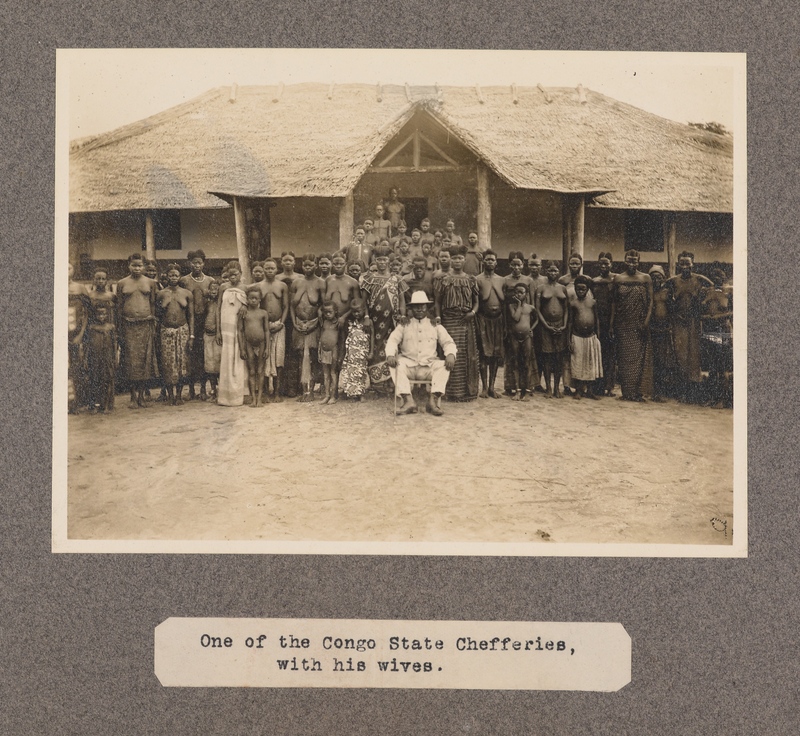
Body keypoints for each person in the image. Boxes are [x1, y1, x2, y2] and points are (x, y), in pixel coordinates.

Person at [386, 291, 457, 416]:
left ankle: (433, 402)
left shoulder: (435, 325)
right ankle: (408, 401)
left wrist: (450, 354)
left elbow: (448, 342)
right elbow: (392, 340)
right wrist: (391, 355)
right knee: (396, 365)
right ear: (411, 308)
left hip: (428, 367)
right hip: (409, 366)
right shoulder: (404, 325)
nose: (419, 309)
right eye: (416, 306)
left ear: (427, 308)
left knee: (443, 366)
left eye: (422, 306)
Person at [434, 244, 479, 402]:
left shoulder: (471, 279)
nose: (457, 261)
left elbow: (476, 302)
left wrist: (472, 313)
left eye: (460, 258)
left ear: (465, 260)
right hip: (449, 321)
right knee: (448, 353)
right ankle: (448, 391)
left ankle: (465, 392)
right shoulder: (443, 280)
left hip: (466, 321)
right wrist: (438, 318)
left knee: (464, 356)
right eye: (454, 258)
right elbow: (438, 302)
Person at [359, 244, 408, 390]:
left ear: (389, 261)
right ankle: (377, 382)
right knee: (375, 346)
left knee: (391, 347)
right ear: (375, 261)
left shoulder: (397, 279)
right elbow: (364, 301)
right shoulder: (369, 279)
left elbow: (402, 300)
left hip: (392, 320)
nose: (382, 263)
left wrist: (403, 316)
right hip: (374, 319)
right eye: (379, 260)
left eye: (384, 260)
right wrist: (366, 316)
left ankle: (391, 381)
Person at [668, 251, 713, 403]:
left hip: (694, 322)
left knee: (694, 356)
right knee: (681, 355)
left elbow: (712, 287)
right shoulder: (673, 281)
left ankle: (694, 393)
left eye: (688, 263)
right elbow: (668, 299)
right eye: (682, 263)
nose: (685, 266)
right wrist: (675, 314)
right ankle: (681, 391)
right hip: (679, 322)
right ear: (678, 264)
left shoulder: (699, 280)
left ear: (693, 263)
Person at [117, 253, 159, 409]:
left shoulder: (151, 282)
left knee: (144, 362)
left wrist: (153, 324)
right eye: (134, 265)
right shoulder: (122, 283)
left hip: (145, 326)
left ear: (144, 266)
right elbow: (119, 307)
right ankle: (133, 396)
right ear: (129, 265)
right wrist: (120, 328)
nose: (137, 268)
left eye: (140, 265)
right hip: (128, 327)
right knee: (130, 363)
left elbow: (153, 304)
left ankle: (142, 396)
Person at [610, 249, 653, 402]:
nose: (632, 263)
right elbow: (614, 303)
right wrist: (611, 324)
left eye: (635, 261)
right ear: (624, 261)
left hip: (639, 324)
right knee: (624, 359)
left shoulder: (645, 278)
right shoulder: (618, 278)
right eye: (629, 260)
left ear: (639, 262)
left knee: (639, 358)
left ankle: (637, 393)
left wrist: (646, 322)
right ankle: (626, 393)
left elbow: (650, 302)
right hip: (623, 324)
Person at [156, 263, 194, 406]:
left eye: (176, 275)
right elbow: (158, 315)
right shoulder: (161, 294)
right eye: (171, 275)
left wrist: (191, 336)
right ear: (166, 276)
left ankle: (179, 395)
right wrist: (163, 305)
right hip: (166, 331)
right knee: (168, 363)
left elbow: (191, 316)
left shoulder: (186, 293)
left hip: (183, 331)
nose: (173, 278)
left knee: (182, 363)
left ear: (179, 277)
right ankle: (170, 395)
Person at [179, 249, 214, 400]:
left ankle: (204, 390)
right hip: (189, 321)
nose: (197, 265)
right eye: (194, 262)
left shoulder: (210, 281)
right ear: (189, 263)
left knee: (204, 356)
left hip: (205, 322)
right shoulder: (184, 281)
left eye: (199, 262)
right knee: (191, 356)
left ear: (204, 264)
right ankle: (191, 389)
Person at [291, 253, 326, 402]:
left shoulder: (320, 283)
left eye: (310, 265)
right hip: (298, 324)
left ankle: (311, 390)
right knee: (300, 357)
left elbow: (324, 306)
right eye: (305, 265)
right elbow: (292, 306)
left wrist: (316, 323)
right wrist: (294, 323)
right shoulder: (296, 283)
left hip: (314, 324)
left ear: (315, 266)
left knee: (312, 357)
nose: (307, 268)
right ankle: (303, 390)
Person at [535, 260, 569, 398]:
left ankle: (556, 388)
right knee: (547, 357)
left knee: (559, 357)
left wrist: (565, 325)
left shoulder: (563, 288)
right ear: (546, 271)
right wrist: (546, 326)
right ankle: (548, 388)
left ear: (559, 272)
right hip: (545, 326)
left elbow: (566, 309)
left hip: (560, 325)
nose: (553, 273)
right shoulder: (541, 288)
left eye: (555, 271)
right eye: (550, 270)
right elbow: (537, 309)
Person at [216, 261, 248, 406]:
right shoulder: (223, 287)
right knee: (227, 356)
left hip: (239, 327)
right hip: (225, 327)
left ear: (241, 274)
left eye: (235, 274)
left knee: (240, 357)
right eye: (230, 275)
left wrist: (246, 306)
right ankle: (226, 396)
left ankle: (242, 394)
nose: (233, 277)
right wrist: (218, 331)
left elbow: (251, 304)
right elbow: (218, 309)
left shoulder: (245, 288)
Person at [701, 268, 733, 408]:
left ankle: (723, 399)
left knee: (723, 367)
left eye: (720, 277)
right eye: (714, 277)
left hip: (723, 331)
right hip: (709, 330)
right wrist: (708, 317)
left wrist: (718, 317)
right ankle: (713, 398)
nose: (717, 279)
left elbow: (733, 312)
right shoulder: (707, 292)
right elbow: (700, 312)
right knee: (712, 367)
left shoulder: (729, 293)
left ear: (724, 278)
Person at [502, 252, 534, 395]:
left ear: (523, 265)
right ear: (510, 265)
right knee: (512, 356)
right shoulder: (505, 280)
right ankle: (511, 386)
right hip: (511, 318)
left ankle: (527, 386)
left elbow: (531, 304)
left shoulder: (528, 280)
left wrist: (530, 326)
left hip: (525, 320)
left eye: (519, 264)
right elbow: (504, 304)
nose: (516, 267)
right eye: (513, 264)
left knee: (526, 358)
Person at [475, 249, 505, 398]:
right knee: (483, 353)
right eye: (487, 259)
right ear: (483, 261)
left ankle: (493, 387)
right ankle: (484, 387)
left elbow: (504, 302)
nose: (490, 262)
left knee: (495, 354)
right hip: (483, 319)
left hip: (498, 320)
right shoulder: (477, 279)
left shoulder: (501, 280)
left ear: (496, 262)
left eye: (492, 260)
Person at [568, 275, 603, 400]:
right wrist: (569, 339)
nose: (580, 291)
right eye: (578, 289)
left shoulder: (593, 302)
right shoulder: (573, 303)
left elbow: (597, 319)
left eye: (583, 289)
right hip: (577, 337)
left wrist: (597, 336)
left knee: (590, 364)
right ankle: (578, 390)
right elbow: (570, 322)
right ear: (575, 289)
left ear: (588, 289)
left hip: (591, 337)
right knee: (578, 364)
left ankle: (590, 390)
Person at [649, 265, 676, 402]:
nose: (656, 280)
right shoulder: (649, 291)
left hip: (665, 330)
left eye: (658, 277)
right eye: (653, 277)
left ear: (663, 278)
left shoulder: (667, 291)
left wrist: (670, 326)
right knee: (654, 361)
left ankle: (663, 391)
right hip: (652, 330)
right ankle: (654, 391)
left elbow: (671, 310)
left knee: (664, 361)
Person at [239, 285, 269, 408]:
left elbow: (267, 331)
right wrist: (242, 348)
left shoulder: (263, 313)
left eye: (256, 298)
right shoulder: (243, 313)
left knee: (260, 370)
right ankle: (253, 398)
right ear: (247, 299)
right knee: (252, 371)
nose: (253, 300)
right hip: (249, 344)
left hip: (261, 343)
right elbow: (240, 331)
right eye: (251, 298)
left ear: (260, 299)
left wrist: (267, 347)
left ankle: (260, 398)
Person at [507, 283, 538, 400]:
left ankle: (526, 390)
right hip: (514, 337)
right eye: (516, 292)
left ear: (526, 294)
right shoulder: (511, 306)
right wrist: (519, 305)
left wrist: (531, 329)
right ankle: (517, 390)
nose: (518, 294)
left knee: (526, 362)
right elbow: (515, 318)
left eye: (521, 292)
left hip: (526, 337)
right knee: (515, 362)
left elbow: (536, 319)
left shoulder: (531, 307)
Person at [84, 304, 117, 414]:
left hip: (107, 358)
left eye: (103, 314)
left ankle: (106, 405)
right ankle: (96, 405)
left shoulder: (110, 327)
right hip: (95, 358)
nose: (101, 316)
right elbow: (88, 345)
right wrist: (85, 358)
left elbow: (114, 344)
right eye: (99, 314)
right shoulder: (91, 328)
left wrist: (114, 357)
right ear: (95, 315)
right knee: (95, 380)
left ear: (107, 315)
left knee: (106, 380)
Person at [339, 298, 374, 400]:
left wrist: (371, 352)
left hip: (363, 352)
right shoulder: (350, 322)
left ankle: (361, 394)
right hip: (351, 353)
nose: (356, 314)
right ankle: (352, 393)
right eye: (354, 311)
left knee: (361, 372)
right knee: (351, 372)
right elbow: (346, 338)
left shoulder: (368, 322)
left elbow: (372, 337)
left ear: (364, 310)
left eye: (358, 311)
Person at [593, 252, 616, 397]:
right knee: (598, 354)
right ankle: (598, 386)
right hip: (597, 320)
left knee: (610, 355)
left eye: (606, 263)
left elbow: (614, 303)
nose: (604, 266)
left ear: (611, 264)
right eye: (601, 263)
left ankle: (609, 387)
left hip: (611, 320)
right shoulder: (594, 281)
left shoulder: (615, 279)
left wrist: (612, 324)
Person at [528, 254, 548, 392]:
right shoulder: (526, 279)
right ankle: (529, 382)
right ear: (528, 266)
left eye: (537, 265)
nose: (534, 268)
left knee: (541, 352)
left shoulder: (546, 280)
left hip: (542, 319)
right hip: (528, 319)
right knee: (530, 351)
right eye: (531, 265)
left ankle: (538, 382)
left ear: (541, 266)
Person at [317, 301, 341, 404]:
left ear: (335, 311)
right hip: (324, 350)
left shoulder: (338, 323)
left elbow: (341, 339)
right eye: (325, 312)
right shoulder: (324, 322)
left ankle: (333, 396)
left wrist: (339, 354)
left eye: (330, 312)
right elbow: (321, 336)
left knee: (333, 373)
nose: (327, 314)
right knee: (326, 374)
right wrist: (319, 350)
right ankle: (326, 395)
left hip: (333, 350)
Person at [202, 280, 222, 401]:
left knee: (220, 363)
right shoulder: (206, 303)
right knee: (210, 365)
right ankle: (213, 389)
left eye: (216, 289)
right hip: (208, 335)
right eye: (212, 289)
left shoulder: (222, 303)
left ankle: (220, 390)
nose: (214, 291)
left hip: (219, 336)